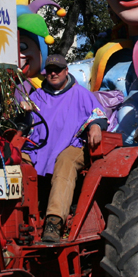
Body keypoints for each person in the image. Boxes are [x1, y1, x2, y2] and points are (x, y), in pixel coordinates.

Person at [17, 54, 108, 242]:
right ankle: (18, 217)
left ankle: (54, 221)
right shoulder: (37, 95)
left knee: (65, 161)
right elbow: (27, 123)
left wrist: (96, 126)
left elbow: (98, 115)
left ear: (66, 71)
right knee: (17, 163)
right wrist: (24, 111)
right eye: (50, 71)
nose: (53, 73)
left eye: (57, 70)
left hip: (72, 144)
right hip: (40, 146)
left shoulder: (80, 93)